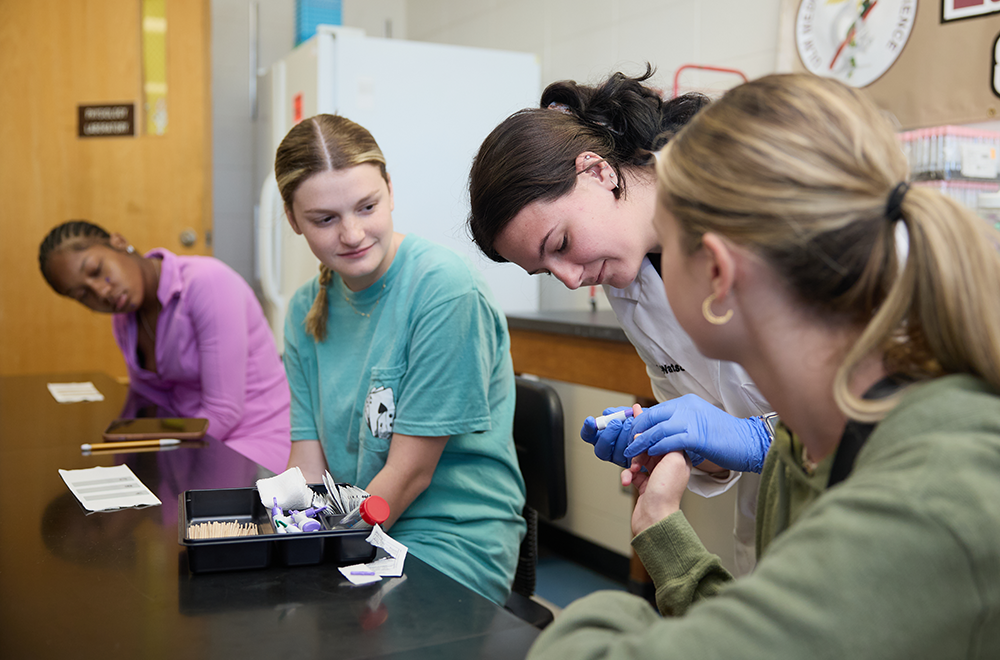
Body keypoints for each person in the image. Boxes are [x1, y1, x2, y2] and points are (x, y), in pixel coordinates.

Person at [526, 73, 1000, 659]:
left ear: (718, 274)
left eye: (669, 248)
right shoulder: (800, 452)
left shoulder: (934, 490)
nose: (653, 278)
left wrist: (601, 611)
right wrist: (662, 526)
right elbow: (790, 626)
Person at [468, 66, 772, 574]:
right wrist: (678, 446)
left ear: (597, 172)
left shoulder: (754, 203)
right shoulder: (628, 280)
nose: (569, 279)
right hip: (777, 532)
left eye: (560, 244)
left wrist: (762, 440)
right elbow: (725, 446)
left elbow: (886, 395)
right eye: (546, 269)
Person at [274, 113, 525, 606]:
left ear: (390, 190)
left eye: (367, 206)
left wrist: (326, 549)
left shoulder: (442, 290)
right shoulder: (306, 308)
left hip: (449, 539)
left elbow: (410, 474)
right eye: (324, 219)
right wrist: (281, 531)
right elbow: (307, 465)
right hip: (357, 528)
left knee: (347, 629)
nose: (351, 234)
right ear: (292, 220)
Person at [38, 222, 291, 474]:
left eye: (96, 270)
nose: (102, 292)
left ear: (118, 242)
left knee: (177, 505)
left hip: (254, 437)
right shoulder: (124, 318)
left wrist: (163, 453)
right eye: (82, 294)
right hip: (193, 440)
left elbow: (224, 412)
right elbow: (149, 401)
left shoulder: (208, 282)